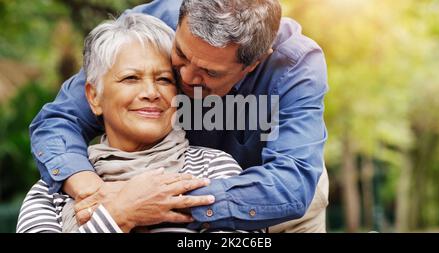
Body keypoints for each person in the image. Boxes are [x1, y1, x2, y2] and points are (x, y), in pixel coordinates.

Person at [29, 0, 329, 232]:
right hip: (141, 176)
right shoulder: (151, 25)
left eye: (209, 72)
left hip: (267, 198)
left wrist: (160, 204)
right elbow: (59, 122)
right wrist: (103, 197)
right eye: (181, 56)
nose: (184, 77)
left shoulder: (295, 65)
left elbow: (291, 184)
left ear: (255, 62)